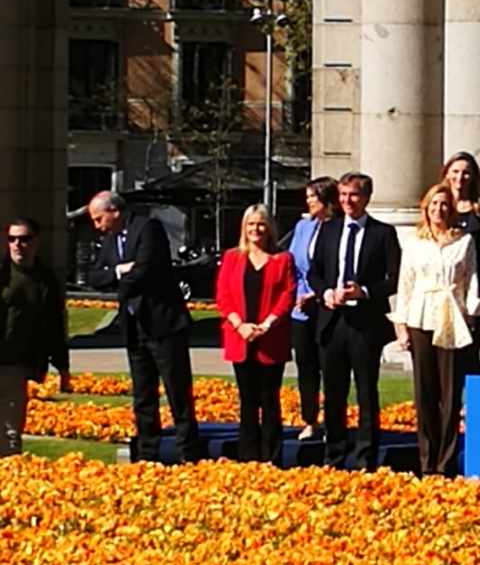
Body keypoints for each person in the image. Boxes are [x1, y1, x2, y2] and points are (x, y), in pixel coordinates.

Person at [86, 191, 203, 462]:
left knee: (177, 391)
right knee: (143, 393)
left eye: (99, 218)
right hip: (134, 326)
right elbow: (93, 276)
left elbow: (146, 270)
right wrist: (117, 271)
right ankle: (148, 453)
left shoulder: (147, 228)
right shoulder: (111, 240)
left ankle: (189, 453)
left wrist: (121, 282)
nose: (97, 225)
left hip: (163, 323)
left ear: (114, 211)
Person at [309, 172, 403, 472]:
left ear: (366, 198)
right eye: (344, 195)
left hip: (365, 324)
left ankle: (365, 457)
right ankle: (333, 454)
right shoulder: (328, 229)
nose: (348, 201)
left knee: (365, 392)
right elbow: (314, 271)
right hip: (332, 320)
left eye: (354, 195)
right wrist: (324, 292)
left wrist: (364, 292)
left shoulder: (382, 233)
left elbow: (395, 278)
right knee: (333, 392)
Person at [391, 183, 480, 476]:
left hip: (452, 319)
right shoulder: (414, 243)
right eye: (434, 204)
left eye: (444, 204)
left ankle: (446, 461)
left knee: (450, 393)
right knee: (425, 392)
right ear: (426, 208)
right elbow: (405, 285)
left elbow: (471, 282)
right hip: (421, 317)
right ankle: (426, 460)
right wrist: (401, 326)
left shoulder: (464, 241)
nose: (439, 210)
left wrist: (470, 317)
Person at [216, 205, 296, 463]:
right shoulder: (232, 257)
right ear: (244, 227)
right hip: (240, 337)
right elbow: (223, 296)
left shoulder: (283, 259)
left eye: (261, 224)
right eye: (251, 224)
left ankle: (271, 457)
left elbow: (288, 294)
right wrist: (240, 325)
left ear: (269, 227)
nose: (256, 229)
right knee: (248, 402)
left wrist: (268, 323)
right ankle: (248, 456)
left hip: (271, 338)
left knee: (270, 400)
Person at [0, 217, 70, 455]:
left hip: (17, 363)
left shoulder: (46, 281)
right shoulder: (2, 273)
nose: (18, 245)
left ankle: (10, 482)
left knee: (11, 432)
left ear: (36, 242)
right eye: (12, 239)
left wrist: (63, 368)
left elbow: (56, 326)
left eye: (24, 239)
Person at [283, 176, 337, 442]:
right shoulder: (303, 226)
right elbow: (291, 263)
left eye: (312, 197)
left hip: (327, 305)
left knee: (330, 366)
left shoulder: (338, 227)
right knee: (306, 366)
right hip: (301, 309)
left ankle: (333, 421)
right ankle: (309, 420)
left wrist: (316, 294)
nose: (308, 202)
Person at [441, 151, 480, 372]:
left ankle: (471, 403)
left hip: (473, 293)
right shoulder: (439, 206)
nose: (460, 177)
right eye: (455, 171)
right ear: (447, 174)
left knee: (469, 353)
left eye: (466, 173)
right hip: (445, 291)